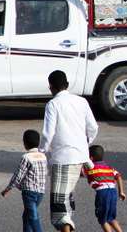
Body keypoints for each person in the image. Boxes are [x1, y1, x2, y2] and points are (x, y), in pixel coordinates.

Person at [40, 70, 99, 232]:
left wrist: (41, 151)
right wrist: (83, 144)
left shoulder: (53, 104)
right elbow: (93, 128)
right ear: (66, 84)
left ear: (51, 87)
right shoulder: (82, 101)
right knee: (67, 199)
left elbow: (48, 133)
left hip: (63, 158)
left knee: (60, 209)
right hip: (80, 158)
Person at [1, 129, 47, 232]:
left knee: (33, 216)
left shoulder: (26, 157)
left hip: (29, 192)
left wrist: (8, 189)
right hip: (40, 192)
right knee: (27, 216)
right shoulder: (43, 156)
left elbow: (18, 176)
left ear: (25, 143)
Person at [83, 145, 126, 232]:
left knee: (102, 220)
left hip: (103, 193)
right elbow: (118, 176)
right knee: (111, 218)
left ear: (90, 158)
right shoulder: (109, 167)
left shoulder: (89, 168)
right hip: (113, 191)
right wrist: (121, 191)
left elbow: (79, 171)